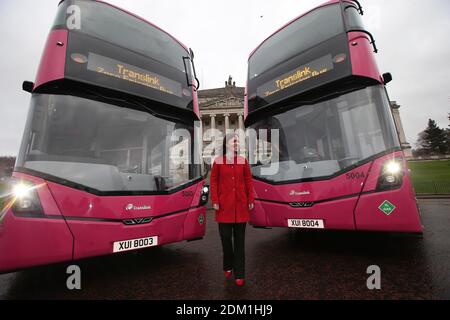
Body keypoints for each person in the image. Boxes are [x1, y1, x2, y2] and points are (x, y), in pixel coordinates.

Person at [210, 133, 255, 286]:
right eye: (234, 141)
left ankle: (240, 273)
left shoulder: (243, 161)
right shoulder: (218, 161)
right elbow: (214, 181)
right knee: (225, 238)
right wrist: (215, 200)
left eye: (237, 141)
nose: (236, 143)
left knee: (240, 241)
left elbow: (248, 181)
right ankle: (227, 263)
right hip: (223, 207)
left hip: (241, 205)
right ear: (226, 143)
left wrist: (251, 199)